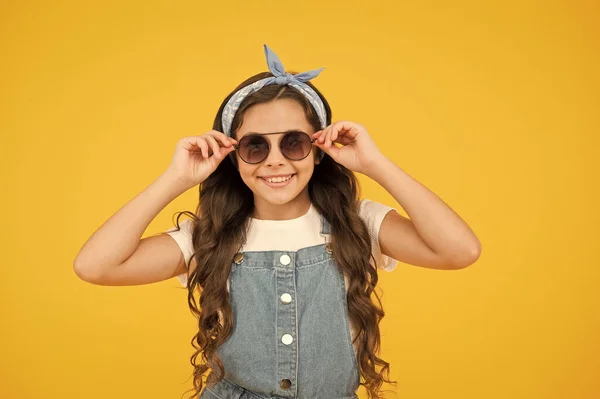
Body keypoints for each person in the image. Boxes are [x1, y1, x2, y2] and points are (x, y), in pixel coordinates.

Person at [74, 44, 482, 399]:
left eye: (293, 142)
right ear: (232, 156)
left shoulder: (357, 223)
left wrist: (375, 164)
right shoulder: (208, 237)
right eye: (254, 146)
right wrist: (176, 179)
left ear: (319, 149)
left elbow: (460, 251)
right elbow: (95, 266)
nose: (275, 160)